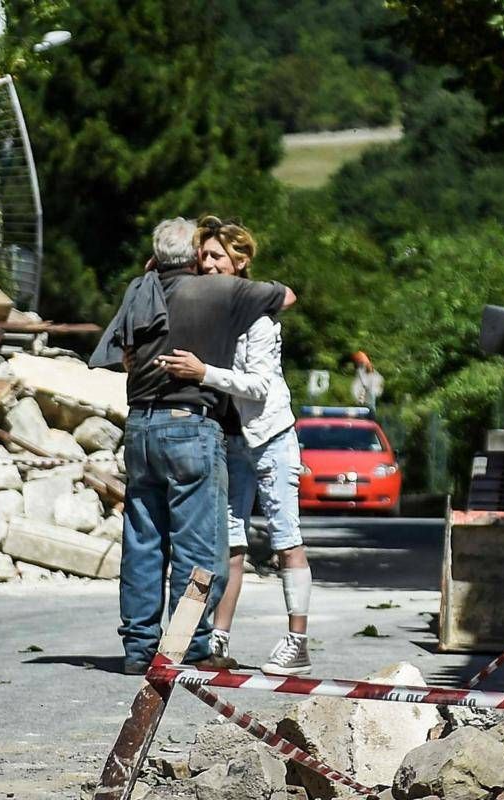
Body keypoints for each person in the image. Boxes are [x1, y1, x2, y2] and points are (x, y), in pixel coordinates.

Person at [114, 217, 296, 675]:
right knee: (199, 549)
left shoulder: (140, 289)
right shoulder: (218, 291)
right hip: (190, 428)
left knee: (142, 542)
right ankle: (186, 647)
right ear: (194, 255)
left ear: (155, 257)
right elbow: (287, 295)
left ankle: (139, 650)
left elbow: (121, 354)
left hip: (139, 427)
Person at [158, 215, 312, 675]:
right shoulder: (210, 311)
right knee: (229, 542)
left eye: (215, 256)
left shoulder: (258, 319)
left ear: (239, 262)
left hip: (270, 436)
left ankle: (297, 639)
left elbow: (260, 387)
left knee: (286, 537)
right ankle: (217, 637)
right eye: (201, 256)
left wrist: (202, 372)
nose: (206, 264)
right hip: (230, 439)